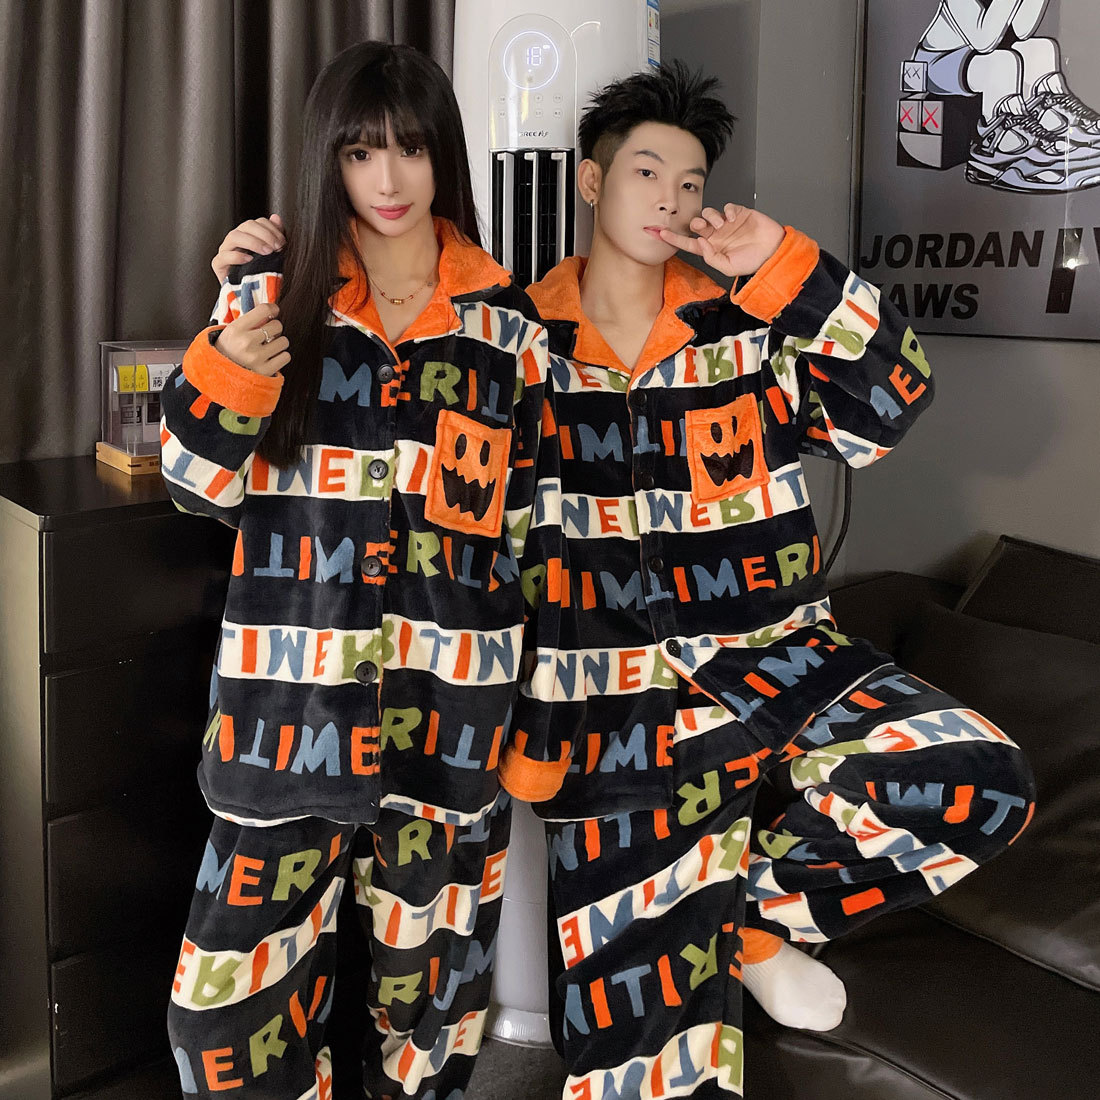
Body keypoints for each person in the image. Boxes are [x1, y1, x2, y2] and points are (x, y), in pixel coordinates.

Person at [213, 60, 1035, 1099]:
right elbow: (451, 531)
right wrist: (268, 283)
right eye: (647, 172)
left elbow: (888, 406)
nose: (671, 200)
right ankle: (707, 944)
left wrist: (782, 264)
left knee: (979, 777)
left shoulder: (746, 328)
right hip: (609, 718)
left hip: (773, 657)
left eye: (691, 183)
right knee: (641, 1068)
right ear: (593, 181)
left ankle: (740, 927)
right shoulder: (516, 342)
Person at [163, 40, 580, 1100]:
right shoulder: (275, 293)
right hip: (284, 715)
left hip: (452, 721)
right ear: (329, 160)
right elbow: (193, 485)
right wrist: (226, 376)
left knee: (429, 1017)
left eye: (409, 149)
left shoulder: (508, 328)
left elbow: (537, 538)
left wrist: (538, 721)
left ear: (443, 156)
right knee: (221, 1015)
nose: (387, 179)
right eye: (358, 153)